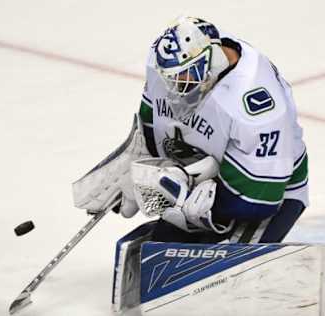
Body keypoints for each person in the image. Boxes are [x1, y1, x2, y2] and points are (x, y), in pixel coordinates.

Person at [132, 16, 308, 244]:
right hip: (201, 179)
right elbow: (151, 117)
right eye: (173, 77)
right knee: (159, 255)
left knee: (227, 274)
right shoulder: (167, 65)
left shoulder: (256, 103)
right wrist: (139, 159)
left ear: (212, 59)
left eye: (187, 74)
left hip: (267, 191)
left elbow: (260, 198)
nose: (178, 85)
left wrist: (207, 207)